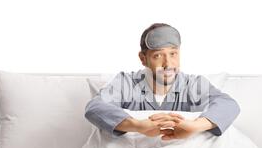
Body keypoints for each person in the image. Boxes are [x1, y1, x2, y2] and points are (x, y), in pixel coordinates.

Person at [84, 23, 240, 141]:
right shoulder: (126, 83)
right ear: (143, 58)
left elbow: (228, 104)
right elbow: (95, 107)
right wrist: (137, 126)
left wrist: (195, 126)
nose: (168, 64)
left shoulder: (193, 84)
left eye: (173, 54)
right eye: (158, 56)